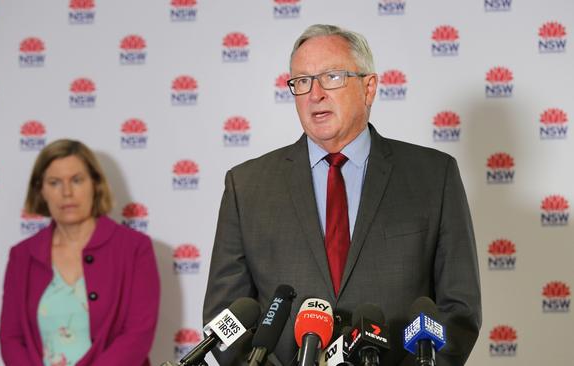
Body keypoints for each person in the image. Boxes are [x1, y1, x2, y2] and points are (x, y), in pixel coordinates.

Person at [203, 24, 481, 365]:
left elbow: (459, 309)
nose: (314, 94)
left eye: (331, 77)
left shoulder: (434, 176)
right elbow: (225, 318)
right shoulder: (246, 185)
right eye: (302, 81)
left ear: (369, 88)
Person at [0, 139, 160, 366]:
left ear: (95, 184)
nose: (66, 192)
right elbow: (11, 339)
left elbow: (138, 335)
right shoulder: (22, 256)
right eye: (54, 182)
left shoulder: (134, 248)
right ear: (40, 190)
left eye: (76, 180)